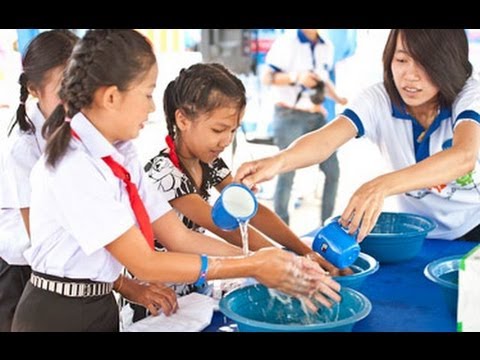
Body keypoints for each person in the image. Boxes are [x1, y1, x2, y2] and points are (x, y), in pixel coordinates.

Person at [11, 29, 340, 332]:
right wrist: (253, 264)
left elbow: (178, 236)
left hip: (98, 305)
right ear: (111, 97)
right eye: (148, 94)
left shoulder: (121, 155)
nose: (153, 108)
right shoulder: (75, 164)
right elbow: (145, 262)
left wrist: (269, 260)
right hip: (58, 314)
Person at [139, 63, 350, 320]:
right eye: (218, 130)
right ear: (182, 119)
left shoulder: (209, 162)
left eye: (233, 130)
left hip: (195, 288)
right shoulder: (163, 172)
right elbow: (223, 226)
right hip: (158, 298)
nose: (226, 140)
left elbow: (252, 211)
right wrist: (278, 262)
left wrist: (301, 251)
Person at [0, 30, 179, 332]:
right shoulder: (31, 150)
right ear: (34, 89)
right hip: (27, 276)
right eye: (64, 88)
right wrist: (130, 285)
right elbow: (43, 239)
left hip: (89, 287)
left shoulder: (107, 146)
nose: (77, 96)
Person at [235, 29, 480, 243]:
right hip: (420, 235)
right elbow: (326, 139)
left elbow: (463, 156)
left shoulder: (470, 95)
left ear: (448, 63)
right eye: (402, 59)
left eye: (425, 63)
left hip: (474, 225)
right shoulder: (379, 99)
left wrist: (380, 186)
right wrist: (277, 161)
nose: (410, 75)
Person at [262, 29, 347, 226]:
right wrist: (296, 77)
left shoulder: (327, 45)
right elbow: (267, 78)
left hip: (316, 114)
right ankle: (283, 233)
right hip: (289, 114)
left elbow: (323, 81)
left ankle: (327, 226)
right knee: (286, 172)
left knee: (333, 171)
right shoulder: (286, 42)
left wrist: (339, 98)